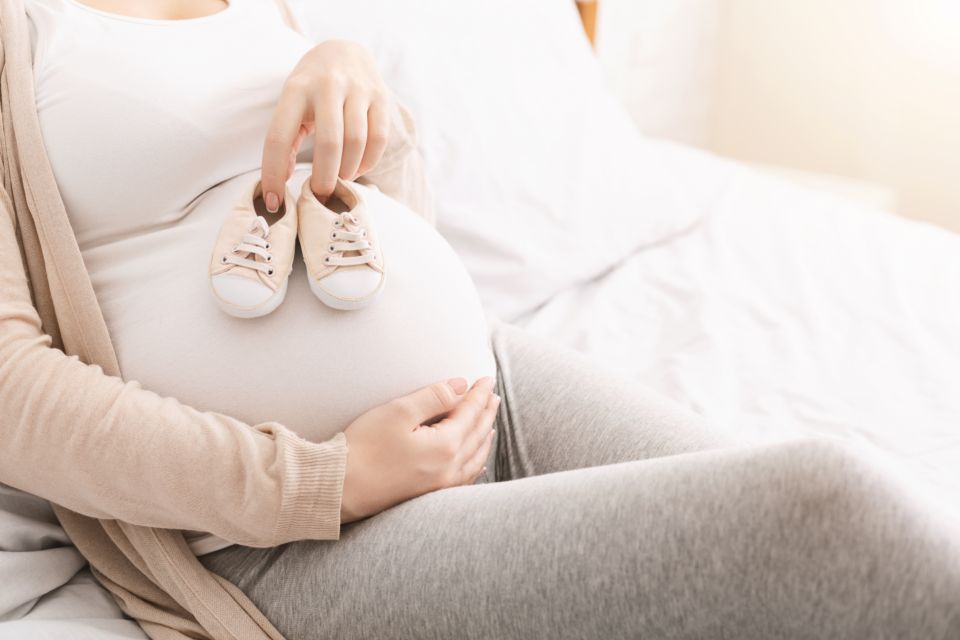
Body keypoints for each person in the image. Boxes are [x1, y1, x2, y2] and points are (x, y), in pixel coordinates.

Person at [2, 0, 958, 638]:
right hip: (279, 532)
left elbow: (392, 228)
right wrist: (323, 481)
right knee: (824, 508)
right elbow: (11, 393)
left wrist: (366, 99)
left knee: (792, 578)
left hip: (491, 382)